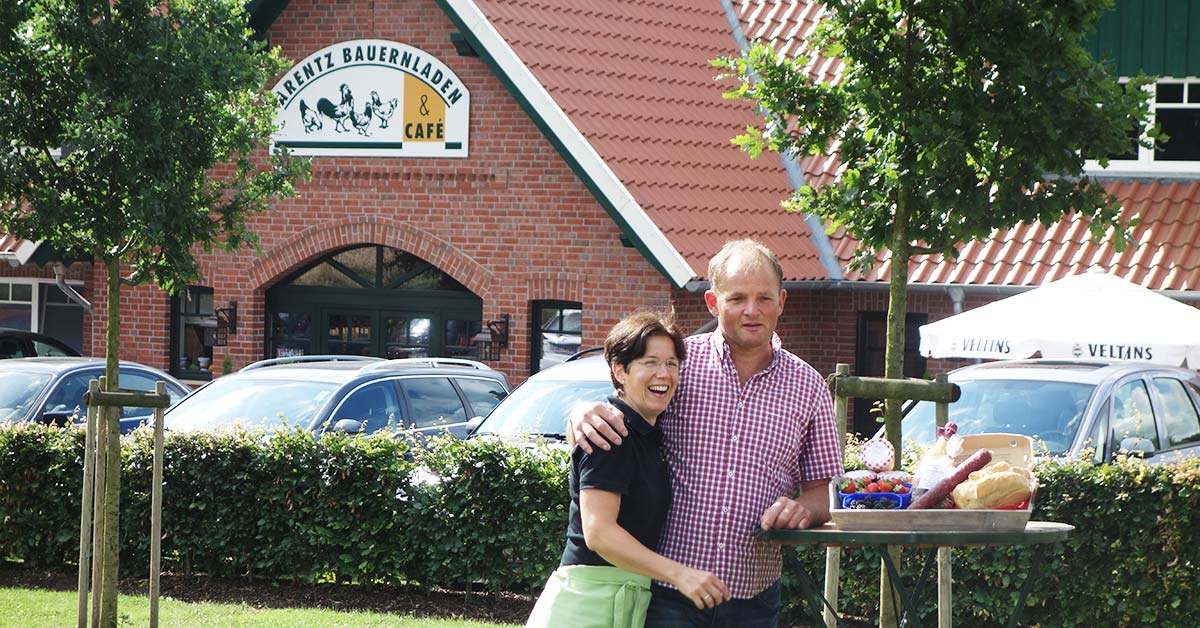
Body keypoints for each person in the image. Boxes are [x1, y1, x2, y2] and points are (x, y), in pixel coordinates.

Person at [570, 239, 843, 628]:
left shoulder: (809, 386)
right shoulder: (678, 364)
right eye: (737, 298)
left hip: (754, 595)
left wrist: (805, 508)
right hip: (667, 591)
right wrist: (579, 412)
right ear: (713, 303)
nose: (752, 310)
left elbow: (826, 490)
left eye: (764, 298)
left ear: (781, 302)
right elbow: (622, 410)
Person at [527, 311, 730, 628]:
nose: (663, 373)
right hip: (587, 604)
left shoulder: (649, 433)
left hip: (623, 599)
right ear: (619, 371)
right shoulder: (611, 432)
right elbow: (599, 533)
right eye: (650, 363)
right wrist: (680, 574)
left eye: (672, 364)